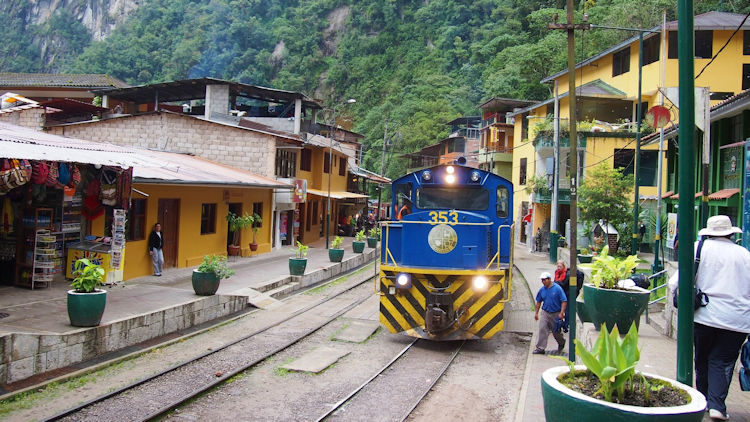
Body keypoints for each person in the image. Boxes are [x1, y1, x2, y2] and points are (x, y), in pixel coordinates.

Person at [691, 215, 750, 420]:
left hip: (704, 315)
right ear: (731, 233)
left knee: (702, 357)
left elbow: (677, 282)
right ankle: (716, 405)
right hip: (737, 319)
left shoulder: (699, 249)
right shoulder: (744, 254)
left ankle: (703, 400)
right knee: (722, 360)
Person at [533, 271, 567, 355]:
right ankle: (540, 347)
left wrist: (562, 312)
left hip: (555, 313)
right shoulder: (542, 290)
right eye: (542, 280)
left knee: (556, 332)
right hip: (545, 312)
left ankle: (561, 342)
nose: (543, 282)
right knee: (542, 328)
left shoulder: (557, 289)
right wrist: (536, 313)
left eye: (545, 280)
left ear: (549, 279)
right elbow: (538, 302)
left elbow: (564, 300)